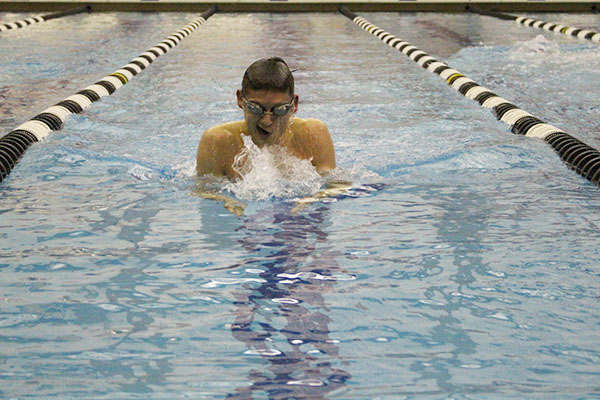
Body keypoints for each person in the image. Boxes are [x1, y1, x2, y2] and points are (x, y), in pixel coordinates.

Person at [196, 57, 336, 180]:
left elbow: (335, 185)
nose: (267, 121)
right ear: (240, 99)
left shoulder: (312, 134)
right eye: (256, 108)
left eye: (279, 110)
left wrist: (315, 199)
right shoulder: (218, 141)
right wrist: (226, 201)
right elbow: (206, 192)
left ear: (294, 105)